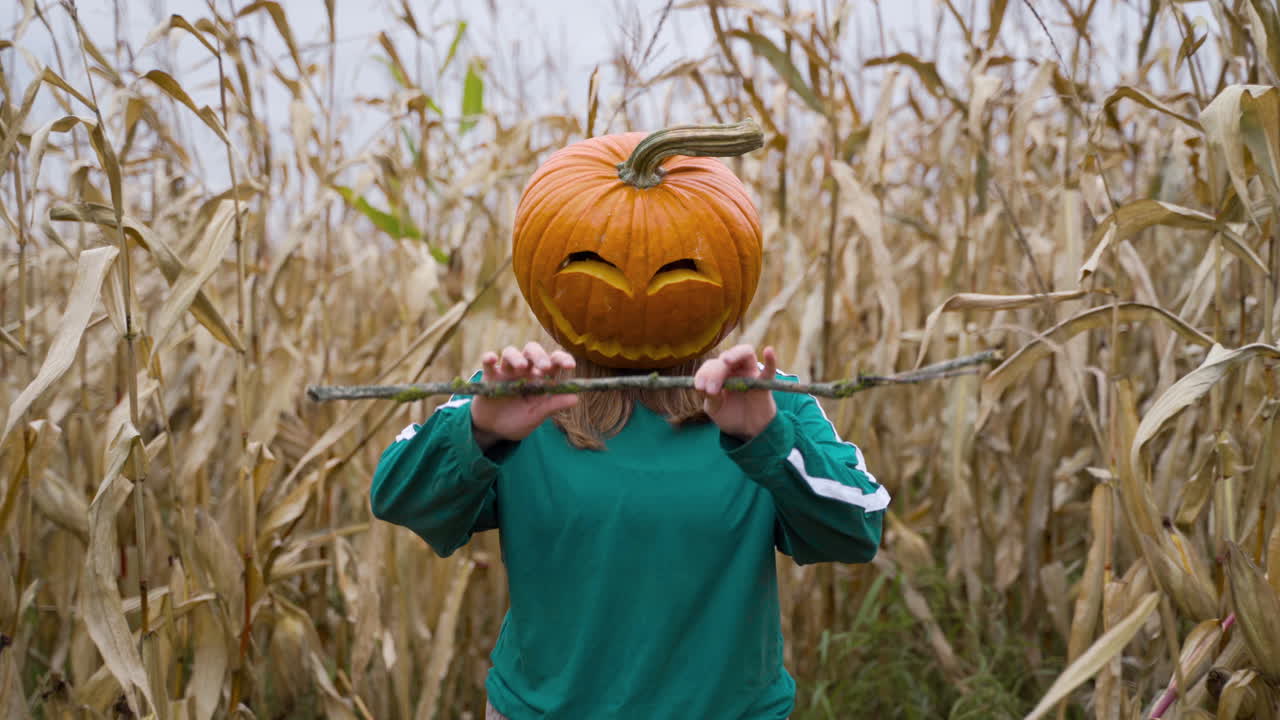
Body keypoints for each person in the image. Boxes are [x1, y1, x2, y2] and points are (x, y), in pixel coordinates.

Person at [369, 341, 889, 719]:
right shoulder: (521, 396)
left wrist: (766, 436)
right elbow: (398, 496)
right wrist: (480, 430)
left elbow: (859, 526)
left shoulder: (767, 400)